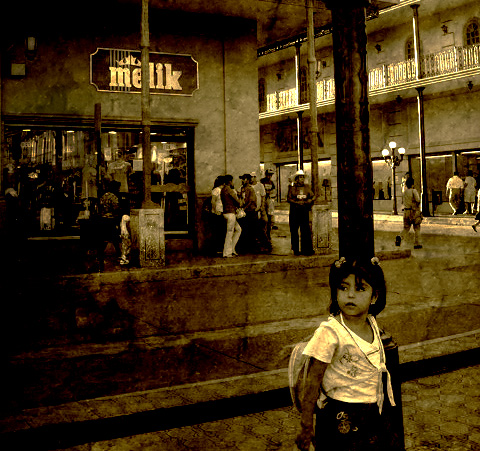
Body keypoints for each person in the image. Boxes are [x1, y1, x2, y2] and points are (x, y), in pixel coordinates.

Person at [295, 257, 400, 451]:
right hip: (340, 415)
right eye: (343, 288)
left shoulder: (372, 325)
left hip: (371, 412)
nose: (350, 295)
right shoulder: (331, 332)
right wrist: (306, 424)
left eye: (360, 289)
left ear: (374, 296)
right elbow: (312, 381)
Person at [287, 169, 314, 256]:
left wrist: (309, 201)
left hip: (304, 211)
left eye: (303, 177)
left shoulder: (307, 187)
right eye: (300, 177)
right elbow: (289, 198)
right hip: (294, 211)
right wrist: (296, 202)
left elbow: (312, 196)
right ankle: (295, 250)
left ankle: (306, 250)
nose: (302, 179)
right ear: (297, 179)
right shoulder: (292, 188)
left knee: (305, 230)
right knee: (294, 230)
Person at [395, 177, 422, 249]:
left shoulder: (404, 192)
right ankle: (417, 243)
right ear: (412, 184)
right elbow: (418, 200)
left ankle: (400, 236)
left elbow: (403, 202)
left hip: (406, 211)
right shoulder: (414, 191)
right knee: (417, 228)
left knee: (406, 228)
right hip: (413, 211)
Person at [220, 174, 242, 258]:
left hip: (225, 212)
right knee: (230, 232)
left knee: (238, 229)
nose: (233, 182)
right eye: (232, 181)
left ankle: (232, 249)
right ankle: (227, 252)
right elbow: (237, 201)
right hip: (231, 213)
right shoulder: (229, 190)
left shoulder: (222, 190)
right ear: (229, 181)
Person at [251, 171, 271, 253]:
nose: (251, 179)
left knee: (263, 224)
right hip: (253, 211)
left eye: (253, 177)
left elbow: (263, 197)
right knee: (256, 228)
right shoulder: (248, 187)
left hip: (260, 210)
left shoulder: (260, 185)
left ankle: (266, 244)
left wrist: (262, 207)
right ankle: (258, 244)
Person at [238, 173, 258, 254]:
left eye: (244, 179)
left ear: (248, 180)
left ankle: (251, 248)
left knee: (251, 230)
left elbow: (251, 201)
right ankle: (245, 247)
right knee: (244, 229)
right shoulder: (242, 188)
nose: (242, 181)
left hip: (250, 211)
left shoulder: (250, 189)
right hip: (244, 211)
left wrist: (244, 208)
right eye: (242, 179)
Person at [209, 175, 226, 255]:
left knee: (221, 231)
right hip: (217, 212)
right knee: (218, 231)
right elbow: (213, 201)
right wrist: (215, 210)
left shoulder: (221, 190)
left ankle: (220, 248)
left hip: (221, 211)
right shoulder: (216, 190)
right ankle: (217, 248)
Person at [261, 168, 277, 240]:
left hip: (269, 200)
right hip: (263, 200)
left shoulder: (271, 182)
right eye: (268, 175)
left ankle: (268, 233)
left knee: (270, 217)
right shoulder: (262, 181)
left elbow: (274, 191)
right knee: (263, 219)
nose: (269, 176)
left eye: (271, 175)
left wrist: (272, 196)